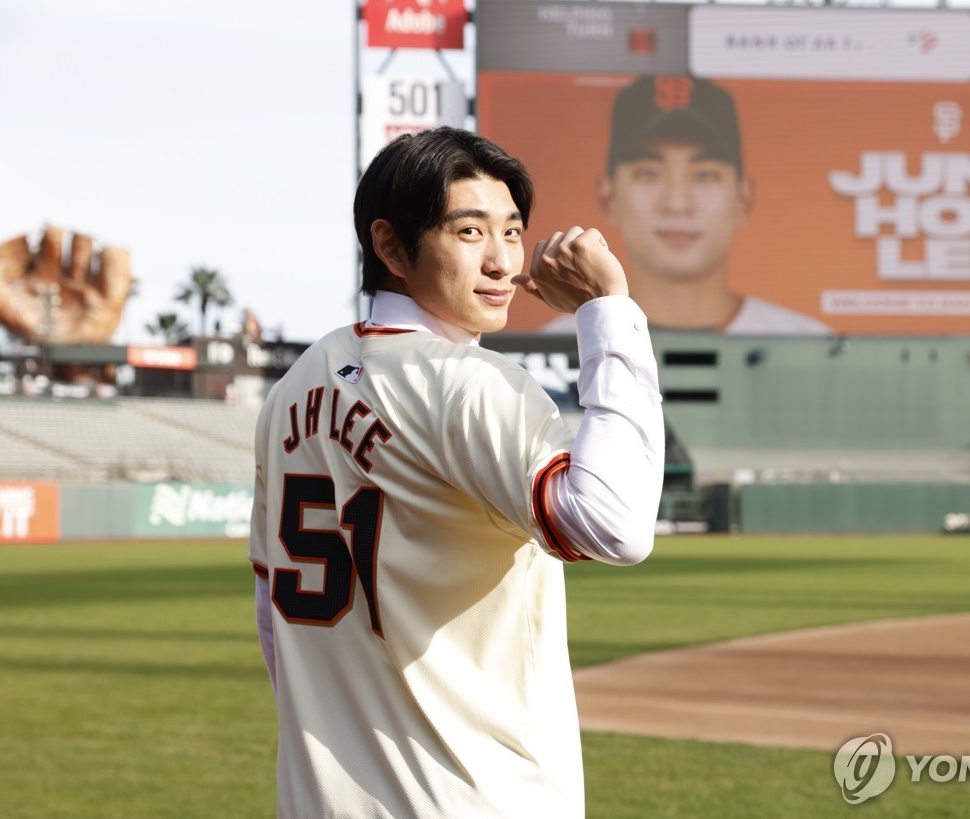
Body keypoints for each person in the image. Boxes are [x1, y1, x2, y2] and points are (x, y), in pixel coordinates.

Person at [248, 127, 664, 817]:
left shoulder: (293, 386)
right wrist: (609, 309)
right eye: (470, 232)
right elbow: (616, 527)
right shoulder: (469, 383)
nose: (502, 261)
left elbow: (273, 618)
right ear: (389, 246)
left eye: (512, 231)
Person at [543, 74, 831, 335]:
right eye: (649, 173)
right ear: (608, 197)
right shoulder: (563, 344)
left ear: (743, 198)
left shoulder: (808, 343)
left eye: (704, 175)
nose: (677, 204)